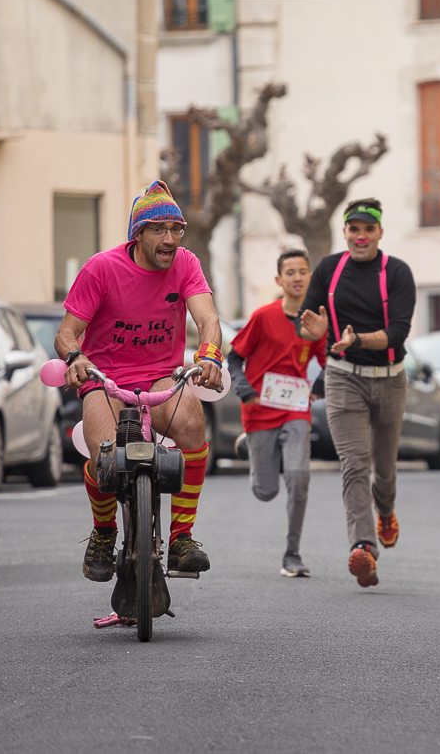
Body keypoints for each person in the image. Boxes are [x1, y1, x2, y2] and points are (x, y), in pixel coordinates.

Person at [55, 180, 224, 582]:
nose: (170, 239)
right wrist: (75, 357)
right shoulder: (101, 268)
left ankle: (182, 539)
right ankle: (103, 531)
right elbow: (65, 333)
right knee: (103, 454)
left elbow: (208, 319)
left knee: (192, 425)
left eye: (176, 230)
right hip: (105, 378)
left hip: (161, 376)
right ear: (138, 233)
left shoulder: (186, 263)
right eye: (160, 230)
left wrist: (210, 355)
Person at [297, 198, 416, 588]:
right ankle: (364, 546)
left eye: (368, 229)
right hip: (343, 377)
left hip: (390, 378)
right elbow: (309, 322)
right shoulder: (329, 270)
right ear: (345, 232)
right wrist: (312, 332)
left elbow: (398, 332)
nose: (360, 236)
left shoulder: (397, 272)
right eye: (354, 229)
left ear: (380, 233)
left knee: (384, 469)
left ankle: (385, 511)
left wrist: (357, 339)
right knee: (354, 462)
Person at [228, 248, 327, 577]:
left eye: (303, 271)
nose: (297, 277)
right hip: (259, 411)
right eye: (291, 272)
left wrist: (321, 383)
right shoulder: (262, 317)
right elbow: (234, 359)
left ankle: (292, 553)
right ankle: (249, 448)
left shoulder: (315, 321)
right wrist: (243, 388)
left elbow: (329, 363)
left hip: (296, 410)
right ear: (279, 280)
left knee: (299, 477)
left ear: (310, 276)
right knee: (266, 491)